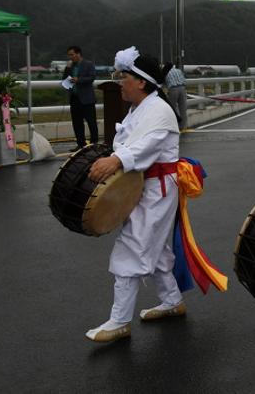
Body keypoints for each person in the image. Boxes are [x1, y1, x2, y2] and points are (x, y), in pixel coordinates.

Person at [85, 47, 183, 343]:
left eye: (124, 77)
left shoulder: (158, 110)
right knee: (153, 246)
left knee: (134, 246)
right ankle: (172, 301)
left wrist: (116, 160)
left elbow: (147, 145)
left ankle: (120, 320)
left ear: (141, 82)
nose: (120, 82)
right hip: (145, 187)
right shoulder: (141, 108)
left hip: (158, 189)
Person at [66, 46, 99, 150]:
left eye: (72, 54)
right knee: (77, 123)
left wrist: (78, 80)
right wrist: (67, 68)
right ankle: (81, 144)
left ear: (78, 54)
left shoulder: (88, 64)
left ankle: (94, 143)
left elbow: (92, 77)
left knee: (91, 121)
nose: (70, 57)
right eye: (69, 55)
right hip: (74, 98)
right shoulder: (71, 66)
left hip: (87, 98)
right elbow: (64, 79)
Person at [162, 62, 188, 130]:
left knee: (172, 108)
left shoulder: (166, 72)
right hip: (182, 88)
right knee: (183, 108)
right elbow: (183, 80)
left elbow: (163, 82)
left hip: (173, 89)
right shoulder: (178, 70)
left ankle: (175, 125)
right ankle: (184, 126)